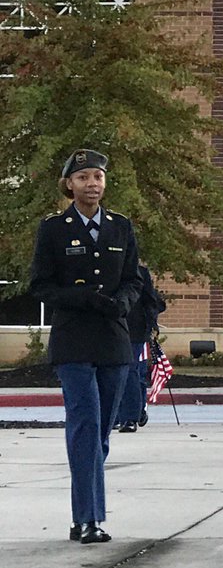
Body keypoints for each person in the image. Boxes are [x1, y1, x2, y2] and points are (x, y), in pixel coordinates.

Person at [29, 149, 143, 544]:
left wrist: (124, 302)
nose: (92, 184)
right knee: (85, 426)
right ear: (69, 185)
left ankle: (84, 515)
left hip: (113, 340)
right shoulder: (54, 229)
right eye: (83, 178)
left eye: (97, 177)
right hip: (73, 339)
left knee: (102, 432)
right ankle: (90, 519)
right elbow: (40, 286)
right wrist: (83, 299)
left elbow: (134, 279)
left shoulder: (121, 227)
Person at [116, 264, 167, 433]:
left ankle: (130, 418)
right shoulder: (104, 267)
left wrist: (152, 324)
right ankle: (116, 415)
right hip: (109, 327)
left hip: (135, 330)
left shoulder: (140, 272)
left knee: (130, 371)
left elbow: (151, 301)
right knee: (112, 372)